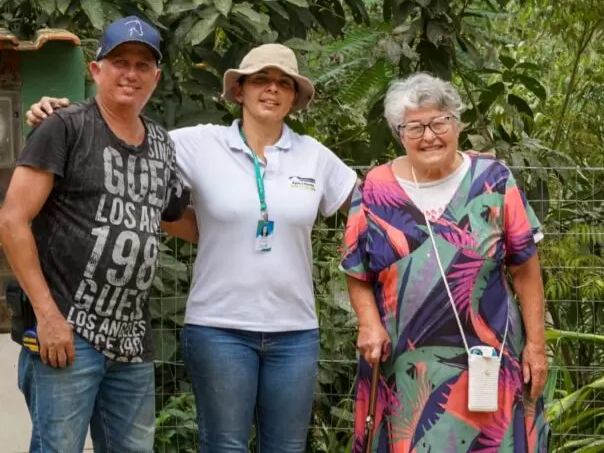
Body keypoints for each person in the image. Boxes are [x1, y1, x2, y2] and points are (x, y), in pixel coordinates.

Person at [25, 43, 359, 453]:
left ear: (295, 97)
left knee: (288, 447)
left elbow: (371, 203)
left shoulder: (315, 157)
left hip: (295, 332)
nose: (272, 89)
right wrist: (56, 115)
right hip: (219, 327)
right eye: (260, 79)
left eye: (284, 83)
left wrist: (431, 171)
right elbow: (125, 139)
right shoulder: (197, 143)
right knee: (224, 446)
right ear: (239, 90)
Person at [0, 15, 190, 453]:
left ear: (156, 78)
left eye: (143, 65)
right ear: (96, 70)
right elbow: (12, 220)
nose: (131, 73)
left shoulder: (162, 144)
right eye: (120, 62)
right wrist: (47, 317)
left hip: (132, 340)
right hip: (68, 332)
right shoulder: (64, 126)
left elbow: (174, 216)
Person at [339, 72, 550, 452]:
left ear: (457, 123)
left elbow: (525, 268)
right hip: (402, 367)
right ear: (399, 133)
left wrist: (536, 345)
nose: (430, 136)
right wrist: (368, 323)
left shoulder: (493, 180)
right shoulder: (374, 187)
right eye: (415, 127)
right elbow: (356, 270)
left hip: (488, 360)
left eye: (439, 122)